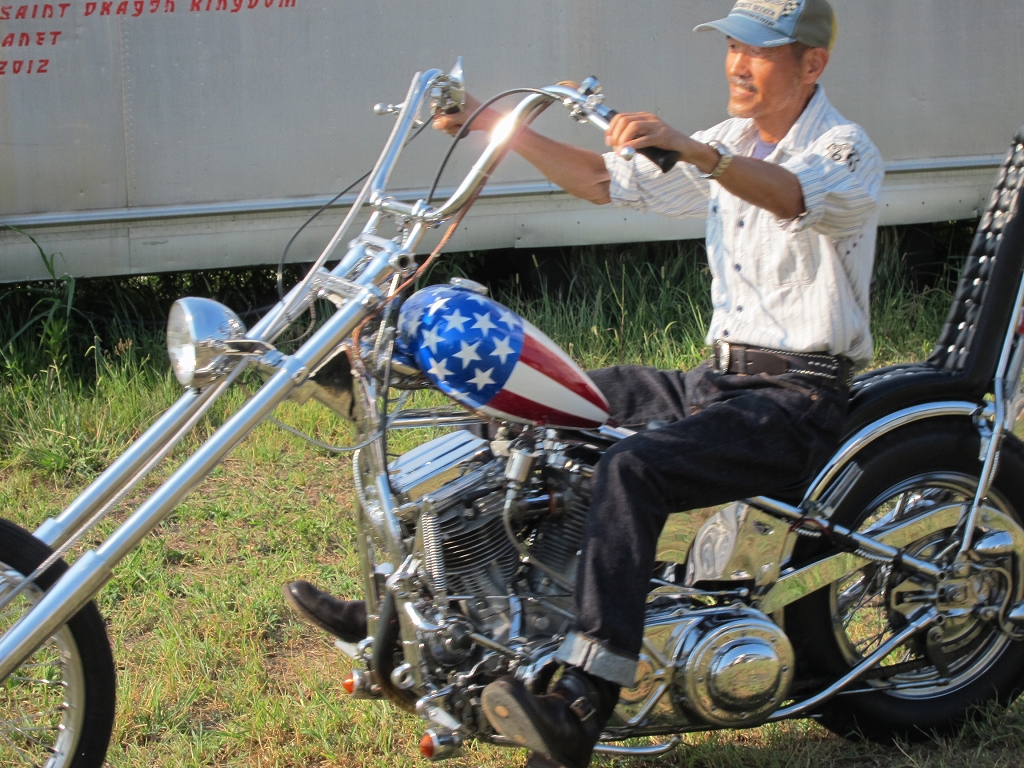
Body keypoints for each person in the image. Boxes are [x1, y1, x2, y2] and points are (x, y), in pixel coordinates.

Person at [285, 2, 883, 766]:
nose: (738, 62)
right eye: (733, 46)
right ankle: (408, 625)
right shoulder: (727, 141)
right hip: (717, 379)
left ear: (811, 64)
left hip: (798, 397)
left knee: (635, 469)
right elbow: (605, 181)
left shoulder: (842, 146)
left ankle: (581, 702)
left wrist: (694, 151)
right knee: (525, 412)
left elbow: (794, 196)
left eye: (760, 50)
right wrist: (488, 128)